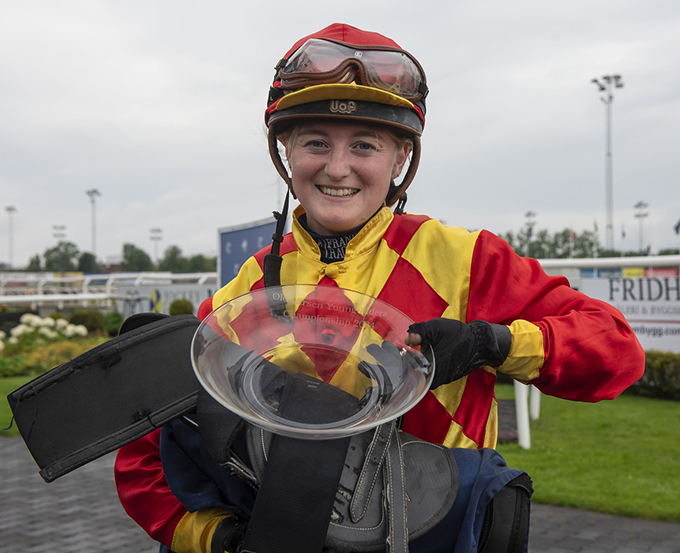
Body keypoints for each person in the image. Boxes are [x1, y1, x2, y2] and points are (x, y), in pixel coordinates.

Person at [114, 23, 645, 553]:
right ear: (286, 154)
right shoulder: (242, 291)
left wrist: (493, 344)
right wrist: (216, 538)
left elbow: (616, 351)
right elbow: (142, 454)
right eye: (316, 142)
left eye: (364, 145)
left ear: (398, 161)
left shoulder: (466, 259)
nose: (337, 168)